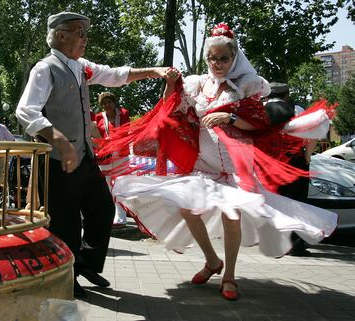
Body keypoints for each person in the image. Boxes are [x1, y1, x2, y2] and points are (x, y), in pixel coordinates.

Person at [99, 23, 338, 301]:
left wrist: (230, 118)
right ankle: (213, 261)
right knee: (187, 208)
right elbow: (171, 108)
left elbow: (259, 126)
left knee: (231, 216)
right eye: (213, 58)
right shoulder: (198, 84)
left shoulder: (247, 85)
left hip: (236, 166)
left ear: (234, 58)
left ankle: (229, 276)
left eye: (223, 58)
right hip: (204, 165)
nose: (217, 63)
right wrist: (170, 84)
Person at [16, 11, 171, 299]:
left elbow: (114, 75)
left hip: (84, 156)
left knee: (102, 209)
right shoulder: (45, 69)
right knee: (65, 222)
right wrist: (57, 138)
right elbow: (26, 111)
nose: (85, 38)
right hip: (58, 160)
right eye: (80, 32)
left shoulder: (80, 66)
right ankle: (66, 277)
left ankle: (83, 262)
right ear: (62, 36)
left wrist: (153, 71)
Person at [265, 82, 318, 256]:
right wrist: (308, 156)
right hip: (295, 162)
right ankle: (295, 244)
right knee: (297, 203)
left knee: (273, 201)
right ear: (286, 94)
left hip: (270, 162)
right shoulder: (297, 110)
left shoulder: (261, 110)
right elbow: (313, 134)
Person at [95, 92, 130, 228]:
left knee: (120, 184)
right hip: (105, 155)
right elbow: (98, 135)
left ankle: (121, 217)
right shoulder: (98, 117)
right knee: (108, 186)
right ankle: (111, 214)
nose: (106, 105)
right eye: (103, 103)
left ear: (114, 102)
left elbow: (126, 131)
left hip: (121, 153)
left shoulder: (124, 113)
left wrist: (115, 139)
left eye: (109, 102)